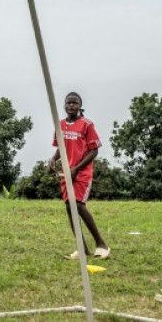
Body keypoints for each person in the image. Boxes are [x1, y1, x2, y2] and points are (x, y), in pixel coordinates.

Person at [48, 92, 109, 260]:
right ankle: (82, 249)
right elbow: (61, 147)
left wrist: (77, 168)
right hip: (66, 172)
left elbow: (94, 150)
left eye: (75, 103)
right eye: (68, 103)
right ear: (64, 105)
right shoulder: (60, 125)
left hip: (81, 172)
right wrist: (53, 159)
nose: (71, 106)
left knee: (78, 205)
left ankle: (102, 244)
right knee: (69, 207)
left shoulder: (87, 125)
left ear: (80, 106)